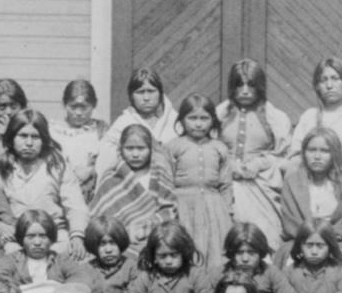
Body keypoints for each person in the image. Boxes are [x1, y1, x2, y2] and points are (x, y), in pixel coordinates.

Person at [216, 59, 293, 246]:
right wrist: (228, 163)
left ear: (260, 87)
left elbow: (285, 155)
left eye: (251, 85)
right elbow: (210, 147)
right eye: (239, 85)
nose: (244, 91)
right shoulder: (220, 114)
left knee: (264, 238)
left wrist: (261, 163)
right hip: (226, 184)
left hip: (261, 185)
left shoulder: (274, 117)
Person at [0, 109, 89, 259]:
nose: (29, 143)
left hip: (54, 238)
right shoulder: (1, 168)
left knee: (67, 259)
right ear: (12, 137)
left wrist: (77, 235)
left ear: (44, 139)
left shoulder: (57, 166)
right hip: (16, 240)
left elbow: (75, 205)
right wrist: (0, 227)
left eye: (35, 137)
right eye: (23, 136)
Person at [86, 124, 177, 255]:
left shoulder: (159, 174)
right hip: (117, 242)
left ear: (151, 149)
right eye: (129, 148)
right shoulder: (111, 177)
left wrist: (145, 228)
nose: (135, 154)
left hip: (158, 237)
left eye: (141, 148)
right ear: (121, 149)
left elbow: (170, 209)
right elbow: (100, 216)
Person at [164, 93, 232, 266]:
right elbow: (165, 183)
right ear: (181, 120)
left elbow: (225, 185)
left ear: (213, 120)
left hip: (214, 210)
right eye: (192, 118)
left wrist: (227, 212)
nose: (199, 123)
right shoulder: (173, 147)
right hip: (183, 208)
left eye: (204, 118)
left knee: (215, 251)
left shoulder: (219, 148)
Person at [281, 126, 342, 263]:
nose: (317, 156)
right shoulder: (293, 183)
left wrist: (328, 238)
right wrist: (311, 238)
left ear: (335, 154)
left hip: (339, 242)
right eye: (312, 150)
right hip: (303, 242)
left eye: (325, 151)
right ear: (304, 153)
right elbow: (290, 220)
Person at [215, 222, 308, 293]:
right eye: (239, 253)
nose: (245, 259)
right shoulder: (219, 274)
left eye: (251, 253)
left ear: (260, 253)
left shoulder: (270, 272)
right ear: (231, 253)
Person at [94, 67, 179, 180]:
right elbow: (104, 164)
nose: (146, 98)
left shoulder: (176, 122)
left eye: (151, 91)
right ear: (131, 96)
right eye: (140, 92)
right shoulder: (123, 123)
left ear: (160, 93)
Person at [120, 220, 212, 293]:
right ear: (154, 256)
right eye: (162, 256)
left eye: (174, 255)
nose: (168, 261)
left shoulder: (195, 274)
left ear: (184, 253)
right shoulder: (146, 278)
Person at [288, 56, 342, 165]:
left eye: (335, 78)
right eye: (323, 80)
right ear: (317, 86)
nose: (329, 85)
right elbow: (296, 152)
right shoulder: (309, 116)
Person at [50, 79, 107, 202]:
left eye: (84, 107)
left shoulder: (101, 131)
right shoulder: (54, 131)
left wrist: (93, 170)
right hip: (61, 190)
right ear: (64, 104)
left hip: (93, 193)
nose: (79, 113)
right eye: (73, 107)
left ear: (94, 105)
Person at [75, 217, 139, 293]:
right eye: (102, 244)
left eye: (112, 243)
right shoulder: (87, 268)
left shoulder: (131, 267)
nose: (108, 250)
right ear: (94, 247)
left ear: (120, 243)